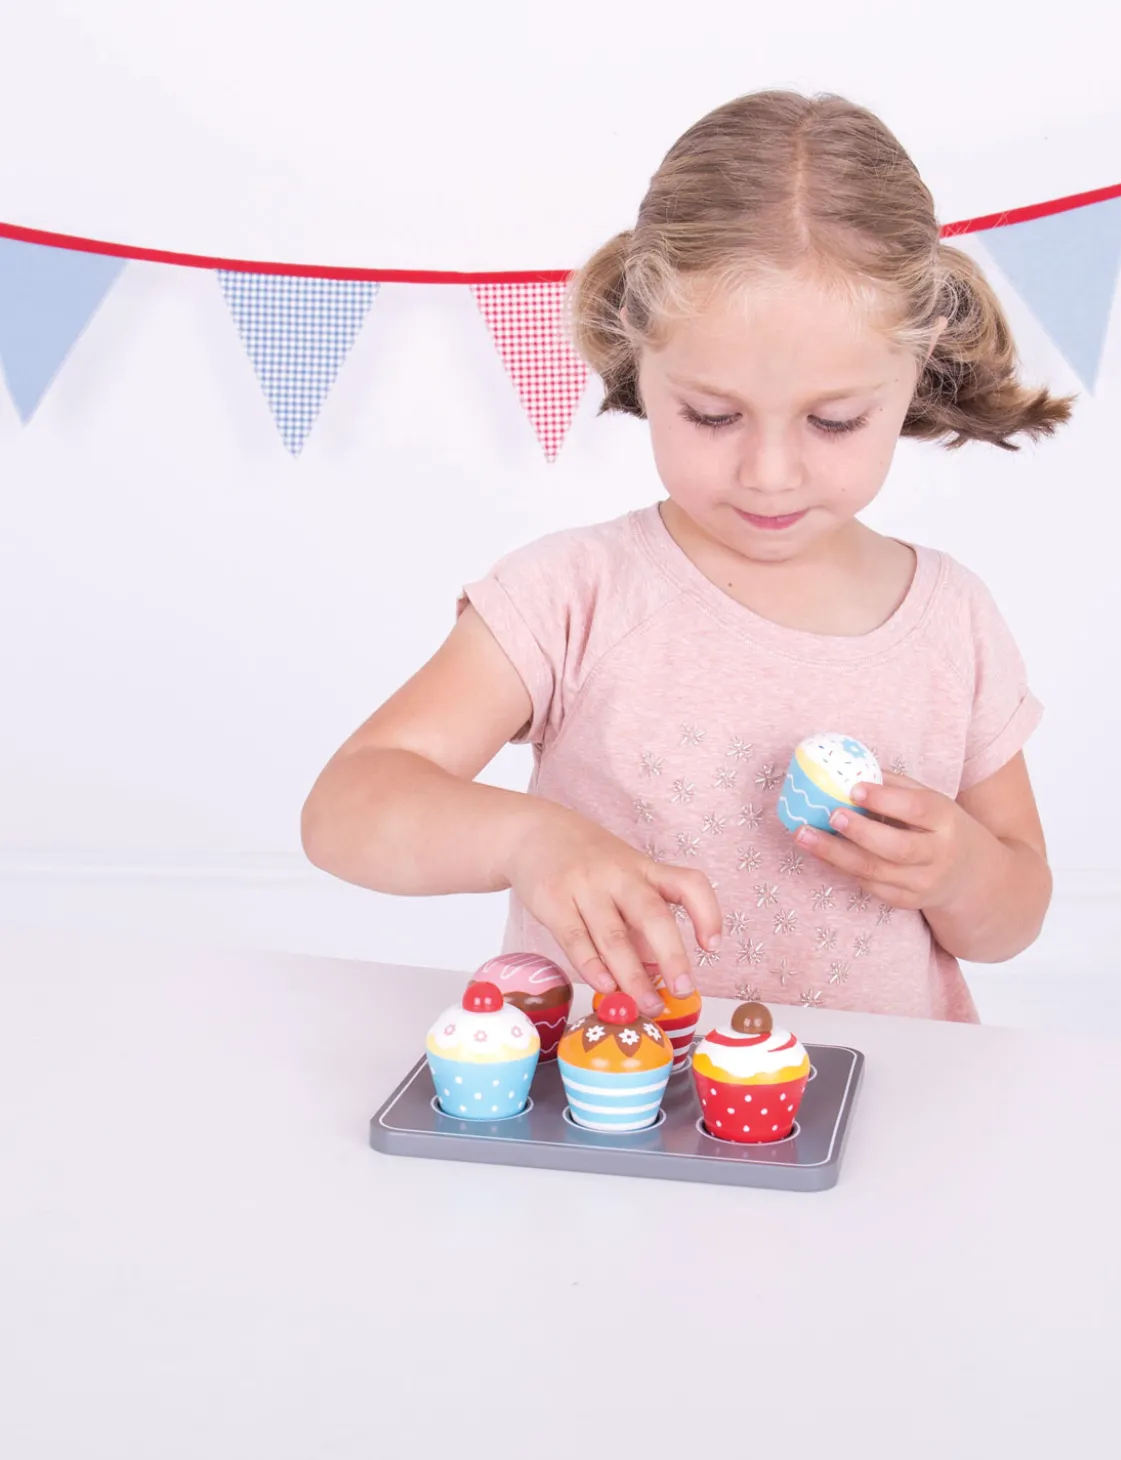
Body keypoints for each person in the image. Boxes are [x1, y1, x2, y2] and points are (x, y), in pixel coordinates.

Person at [302, 90, 1071, 1023]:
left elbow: (1012, 919)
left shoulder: (953, 621)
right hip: (614, 1092)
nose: (770, 473)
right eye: (712, 415)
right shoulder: (575, 596)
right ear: (640, 353)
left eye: (834, 421)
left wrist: (960, 871)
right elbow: (346, 807)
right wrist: (527, 839)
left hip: (881, 1097)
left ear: (921, 366)